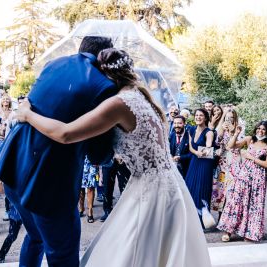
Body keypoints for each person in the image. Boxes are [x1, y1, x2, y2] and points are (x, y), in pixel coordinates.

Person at [15, 48, 211, 266]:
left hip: (150, 189)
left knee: (131, 251)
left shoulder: (119, 104)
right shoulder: (142, 97)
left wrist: (28, 114)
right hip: (169, 184)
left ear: (106, 76)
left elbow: (66, 133)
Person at [0, 36, 117, 267]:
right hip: (49, 181)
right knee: (63, 255)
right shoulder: (104, 86)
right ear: (103, 56)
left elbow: (34, 104)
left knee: (35, 236)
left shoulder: (54, 64)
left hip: (13, 168)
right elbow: (98, 154)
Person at [218, 121, 267, 242]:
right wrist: (236, 133)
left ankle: (249, 232)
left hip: (258, 179)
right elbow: (230, 146)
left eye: (263, 129)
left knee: (254, 205)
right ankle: (228, 231)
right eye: (258, 128)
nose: (260, 131)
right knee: (236, 201)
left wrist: (251, 157)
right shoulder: (250, 139)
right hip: (243, 175)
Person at [184, 108, 215, 226]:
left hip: (205, 163)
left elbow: (208, 147)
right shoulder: (191, 130)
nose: (198, 117)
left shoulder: (209, 132)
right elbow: (191, 147)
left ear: (205, 118)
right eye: (196, 115)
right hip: (194, 160)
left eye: (201, 115)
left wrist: (202, 152)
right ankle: (191, 219)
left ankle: (203, 220)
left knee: (201, 189)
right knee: (190, 186)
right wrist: (196, 152)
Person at [211, 109, 243, 216]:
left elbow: (236, 145)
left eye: (231, 118)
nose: (228, 120)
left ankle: (231, 217)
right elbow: (216, 142)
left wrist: (233, 132)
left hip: (234, 163)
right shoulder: (221, 129)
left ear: (235, 119)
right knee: (221, 189)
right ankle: (221, 217)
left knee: (232, 190)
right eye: (226, 118)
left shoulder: (239, 130)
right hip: (223, 164)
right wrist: (222, 130)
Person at [100, 156, 130, 222]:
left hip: (123, 161)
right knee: (107, 188)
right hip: (108, 161)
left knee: (125, 188)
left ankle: (126, 210)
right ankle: (107, 211)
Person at [79, 157, 99, 223]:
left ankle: (90, 211)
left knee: (91, 187)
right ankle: (81, 207)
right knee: (80, 187)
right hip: (79, 161)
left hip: (92, 161)